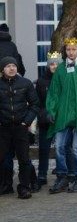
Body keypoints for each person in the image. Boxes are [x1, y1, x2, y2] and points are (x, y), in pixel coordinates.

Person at [46, 37, 77, 193]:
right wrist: (51, 111)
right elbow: (54, 92)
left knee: (76, 147)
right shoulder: (61, 69)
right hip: (64, 114)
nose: (71, 52)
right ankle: (62, 177)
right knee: (59, 146)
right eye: (68, 49)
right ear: (64, 51)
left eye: (73, 49)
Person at [0, 57, 39, 199]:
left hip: (20, 127)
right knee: (3, 158)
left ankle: (24, 187)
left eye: (14, 66)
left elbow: (34, 104)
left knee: (24, 159)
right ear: (2, 69)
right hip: (3, 128)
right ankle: (5, 185)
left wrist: (26, 122)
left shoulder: (25, 83)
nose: (11, 68)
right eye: (8, 66)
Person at [35, 52, 62, 189]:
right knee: (44, 149)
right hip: (46, 120)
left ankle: (62, 172)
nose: (55, 66)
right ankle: (42, 174)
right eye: (52, 64)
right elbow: (38, 103)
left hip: (60, 119)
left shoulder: (64, 78)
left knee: (61, 148)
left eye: (57, 64)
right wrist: (43, 115)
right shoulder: (41, 81)